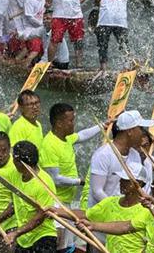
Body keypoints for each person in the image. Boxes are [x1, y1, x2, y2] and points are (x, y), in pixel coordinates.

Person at [39, 103, 102, 250]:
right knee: (59, 245)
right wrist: (79, 181)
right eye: (71, 120)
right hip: (55, 202)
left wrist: (103, 126)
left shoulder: (66, 138)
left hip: (66, 203)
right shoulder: (49, 145)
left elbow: (83, 135)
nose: (74, 123)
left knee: (68, 246)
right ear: (59, 123)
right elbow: (56, 179)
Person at [3, 141, 58, 251]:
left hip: (43, 237)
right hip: (24, 239)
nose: (12, 161)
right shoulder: (15, 173)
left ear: (19, 162)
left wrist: (16, 233)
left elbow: (40, 217)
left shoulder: (44, 183)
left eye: (13, 158)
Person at [94, 0, 136, 71]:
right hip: (120, 18)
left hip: (105, 17)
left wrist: (96, 3)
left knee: (103, 45)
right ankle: (128, 68)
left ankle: (103, 69)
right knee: (124, 45)